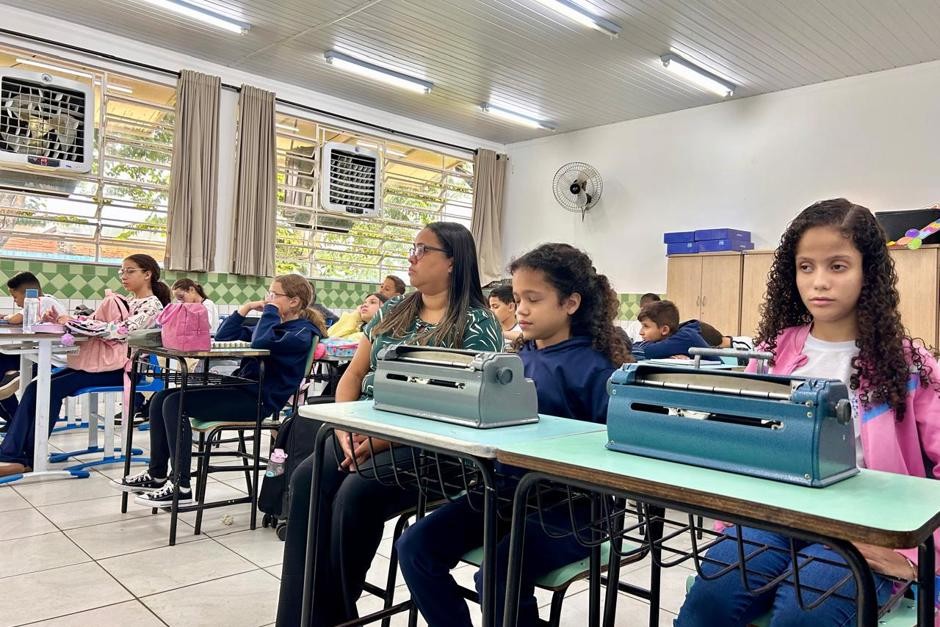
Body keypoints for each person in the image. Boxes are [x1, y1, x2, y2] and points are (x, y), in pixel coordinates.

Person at [676, 198, 940, 626]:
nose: (819, 282)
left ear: (868, 272)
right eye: (806, 267)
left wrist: (915, 555)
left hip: (867, 529)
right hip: (775, 517)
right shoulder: (771, 352)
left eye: (837, 266)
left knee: (803, 614)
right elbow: (741, 441)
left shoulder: (908, 364)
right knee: (711, 599)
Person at [275, 222, 503, 627]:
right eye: (412, 248)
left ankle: (331, 617)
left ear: (452, 261)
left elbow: (466, 405)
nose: (411, 257)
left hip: (433, 446)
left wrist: (381, 441)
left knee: (355, 493)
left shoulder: (477, 324)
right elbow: (353, 374)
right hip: (363, 428)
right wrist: (345, 427)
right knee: (306, 480)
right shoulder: (393, 310)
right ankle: (299, 616)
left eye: (423, 250)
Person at [396, 242, 633, 627]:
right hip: (504, 494)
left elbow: (613, 454)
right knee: (414, 547)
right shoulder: (515, 361)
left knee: (497, 574)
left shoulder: (597, 369)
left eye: (533, 299)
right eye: (518, 299)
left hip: (573, 512)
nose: (521, 309)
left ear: (570, 303)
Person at [113, 274, 324, 505]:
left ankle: (181, 486)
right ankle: (157, 474)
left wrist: (270, 312)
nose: (268, 299)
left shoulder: (301, 333)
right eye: (269, 294)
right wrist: (245, 309)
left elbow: (261, 343)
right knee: (160, 398)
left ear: (294, 301)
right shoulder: (273, 326)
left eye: (274, 295)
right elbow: (224, 335)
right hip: (241, 390)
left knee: (174, 403)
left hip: (259, 400)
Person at [0, 254, 169, 477]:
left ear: (147, 274)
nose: (123, 276)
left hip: (124, 369)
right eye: (122, 271)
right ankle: (14, 455)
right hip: (105, 364)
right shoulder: (128, 300)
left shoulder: (152, 305)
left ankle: (22, 458)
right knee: (36, 386)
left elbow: (119, 331)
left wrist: (72, 323)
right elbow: (97, 322)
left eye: (130, 271)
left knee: (50, 388)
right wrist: (64, 321)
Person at [0, 272, 67, 419]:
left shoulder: (41, 301)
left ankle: (14, 417)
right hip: (40, 351)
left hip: (50, 357)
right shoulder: (46, 300)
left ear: (28, 293)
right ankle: (14, 417)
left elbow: (15, 319)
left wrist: (6, 317)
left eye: (15, 297)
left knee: (2, 362)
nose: (14, 301)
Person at [631, 300, 712, 359]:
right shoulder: (669, 339)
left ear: (664, 330)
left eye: (646, 326)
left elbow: (645, 351)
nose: (641, 332)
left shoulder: (685, 337)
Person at [488, 284, 521, 348]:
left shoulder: (523, 329)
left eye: (495, 307)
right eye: (490, 307)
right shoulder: (489, 329)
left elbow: (523, 337)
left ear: (511, 307)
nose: (491, 311)